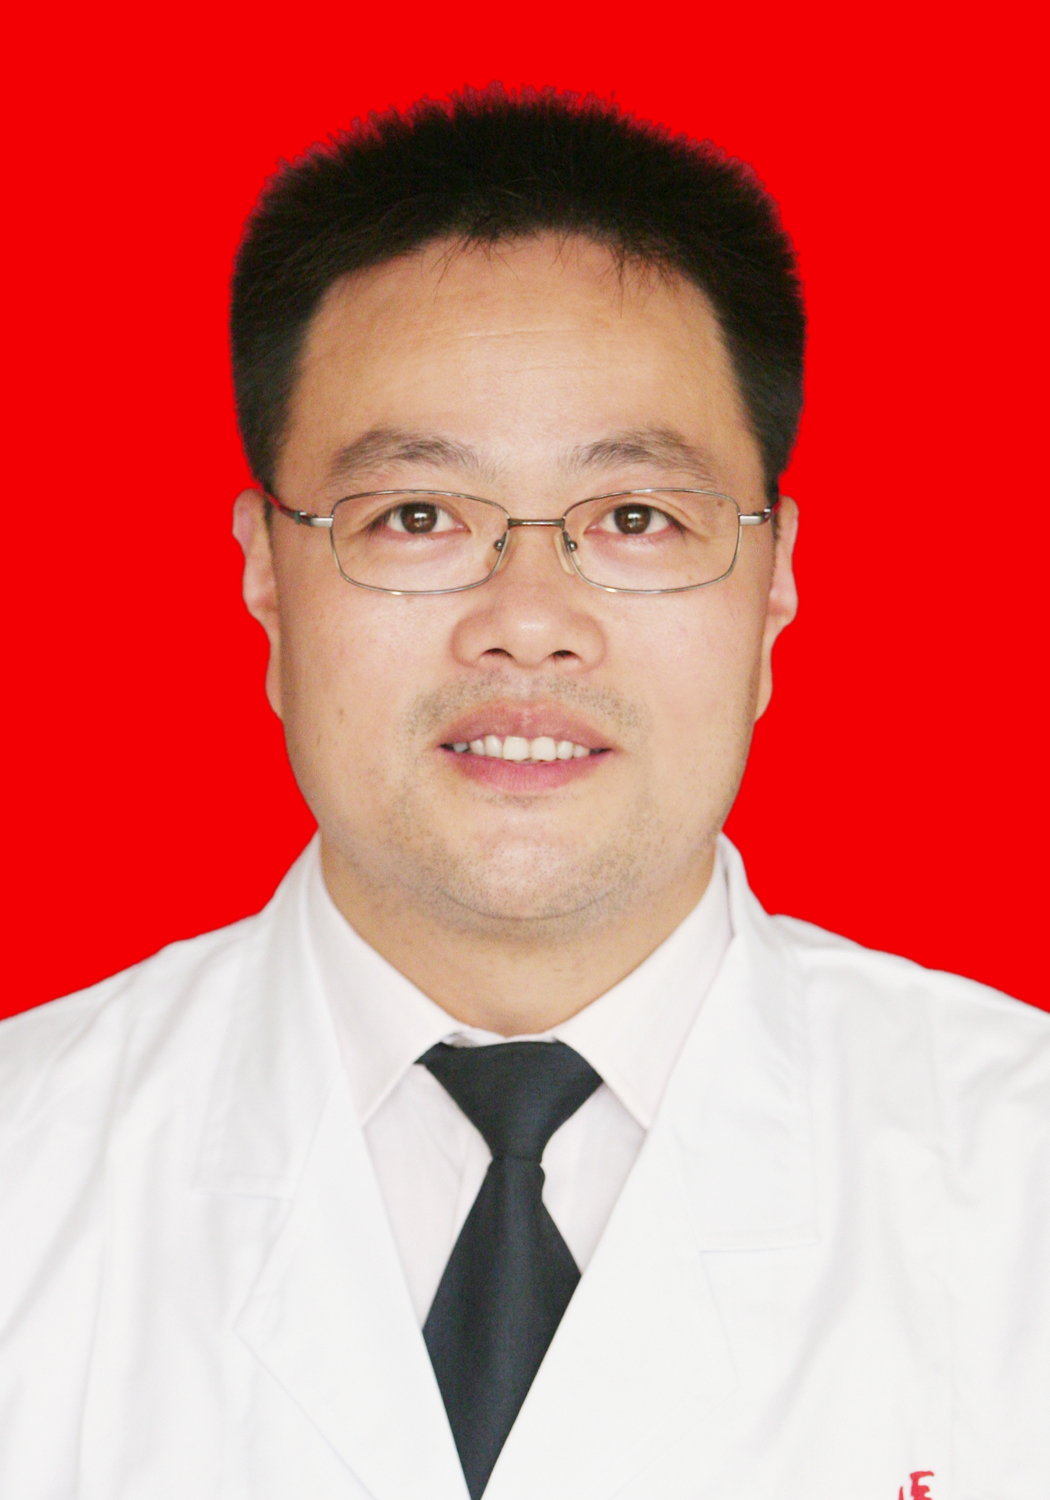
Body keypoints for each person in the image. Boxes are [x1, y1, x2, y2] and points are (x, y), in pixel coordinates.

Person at [1, 87, 1047, 1500]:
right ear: (264, 572)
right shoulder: (25, 1170)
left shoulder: (1020, 1178)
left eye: (635, 518)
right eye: (417, 516)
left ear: (776, 579)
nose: (530, 624)